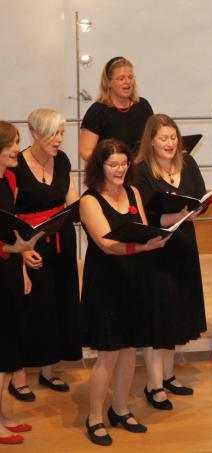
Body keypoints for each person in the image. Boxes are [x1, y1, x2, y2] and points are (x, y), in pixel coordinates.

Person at [80, 138, 169, 446]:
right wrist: (143, 245)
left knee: (130, 348)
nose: (120, 169)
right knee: (108, 353)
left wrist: (154, 239)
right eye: (113, 164)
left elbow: (142, 225)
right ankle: (94, 417)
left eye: (123, 164)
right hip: (105, 281)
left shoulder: (132, 192)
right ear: (99, 167)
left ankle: (120, 408)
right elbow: (106, 244)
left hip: (135, 277)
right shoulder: (89, 200)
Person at [133, 114, 207, 408]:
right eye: (163, 138)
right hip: (157, 247)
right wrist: (178, 215)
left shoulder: (188, 164)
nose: (169, 143)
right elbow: (146, 215)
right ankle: (153, 385)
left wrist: (194, 210)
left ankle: (168, 374)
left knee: (177, 309)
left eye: (173, 137)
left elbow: (200, 198)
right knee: (158, 316)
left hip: (184, 244)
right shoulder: (141, 171)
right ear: (151, 140)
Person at [8, 109, 81, 402]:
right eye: (55, 133)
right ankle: (19, 375)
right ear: (36, 134)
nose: (60, 139)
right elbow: (9, 215)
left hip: (61, 239)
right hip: (30, 244)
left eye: (62, 133)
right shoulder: (16, 166)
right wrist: (23, 251)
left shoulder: (61, 160)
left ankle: (49, 370)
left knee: (60, 302)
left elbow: (72, 198)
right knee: (30, 308)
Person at [0, 121, 43, 445]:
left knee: (9, 346)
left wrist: (23, 261)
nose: (18, 148)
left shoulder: (9, 178)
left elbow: (12, 231)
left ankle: (1, 414)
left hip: (10, 269)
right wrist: (11, 249)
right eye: (13, 143)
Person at [79, 57, 154, 161]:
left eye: (130, 77)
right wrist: (112, 162)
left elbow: (152, 140)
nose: (127, 82)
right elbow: (85, 151)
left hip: (140, 172)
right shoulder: (97, 111)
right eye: (121, 78)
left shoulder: (143, 106)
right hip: (110, 174)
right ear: (108, 82)